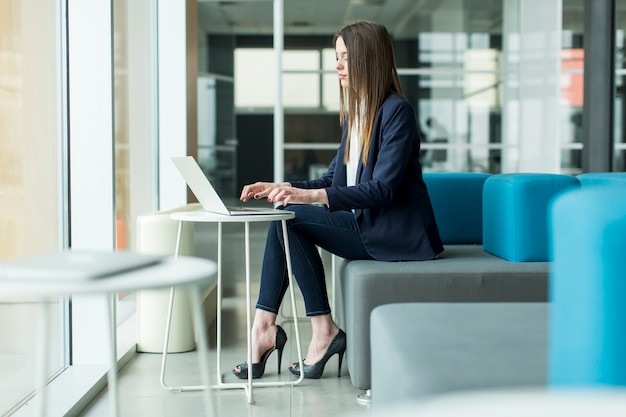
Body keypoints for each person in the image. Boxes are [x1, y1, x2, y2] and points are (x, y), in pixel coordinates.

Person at [232, 20, 443, 380]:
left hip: (393, 234)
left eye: (346, 57)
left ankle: (293, 331)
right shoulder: (357, 113)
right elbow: (334, 179)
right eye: (337, 57)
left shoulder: (396, 112)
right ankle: (274, 328)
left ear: (369, 58)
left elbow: (382, 190)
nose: (338, 65)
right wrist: (283, 186)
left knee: (290, 218)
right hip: (366, 224)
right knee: (286, 213)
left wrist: (308, 196)